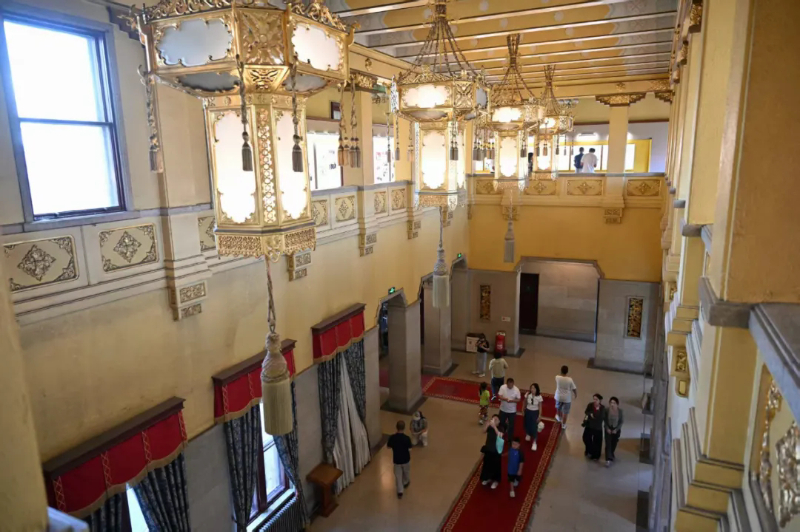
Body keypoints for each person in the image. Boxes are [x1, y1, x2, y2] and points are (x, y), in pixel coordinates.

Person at [387, 420, 413, 498]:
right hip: (406, 459)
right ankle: (406, 482)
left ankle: (400, 491)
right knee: (406, 472)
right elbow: (410, 449)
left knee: (398, 476)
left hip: (397, 460)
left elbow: (388, 447)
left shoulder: (392, 437)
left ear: (396, 427)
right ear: (404, 428)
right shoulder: (407, 438)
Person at [480, 415, 503, 489]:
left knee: (495, 466)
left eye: (496, 419)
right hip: (488, 449)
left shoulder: (500, 428)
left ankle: (495, 481)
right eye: (493, 419)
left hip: (496, 451)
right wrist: (487, 425)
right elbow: (483, 431)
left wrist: (494, 427)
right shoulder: (490, 427)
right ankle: (487, 478)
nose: (494, 421)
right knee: (487, 465)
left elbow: (500, 436)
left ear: (499, 421)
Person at [498, 377, 521, 445]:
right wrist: (505, 399)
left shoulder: (516, 390)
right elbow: (499, 396)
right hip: (503, 409)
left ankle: (510, 439)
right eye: (509, 385)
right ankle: (500, 436)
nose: (510, 386)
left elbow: (519, 399)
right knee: (501, 423)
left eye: (511, 385)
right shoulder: (502, 387)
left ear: (513, 384)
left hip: (512, 411)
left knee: (511, 425)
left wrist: (512, 400)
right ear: (507, 384)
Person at [582, 394, 606, 461]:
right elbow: (586, 412)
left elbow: (600, 417)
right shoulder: (590, 405)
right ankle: (589, 450)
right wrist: (591, 414)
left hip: (597, 427)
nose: (595, 401)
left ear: (600, 400)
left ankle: (596, 455)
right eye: (594, 399)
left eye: (596, 399)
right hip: (589, 425)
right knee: (586, 438)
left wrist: (594, 413)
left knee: (597, 441)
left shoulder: (602, 408)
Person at [604, 397, 624, 467]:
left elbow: (621, 422)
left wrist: (616, 429)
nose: (612, 404)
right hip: (608, 428)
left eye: (614, 403)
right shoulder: (607, 410)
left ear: (617, 404)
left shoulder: (620, 411)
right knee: (608, 443)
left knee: (614, 443)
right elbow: (605, 420)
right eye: (611, 403)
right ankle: (608, 459)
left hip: (616, 429)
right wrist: (607, 428)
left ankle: (611, 453)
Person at [524, 383, 544, 451]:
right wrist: (523, 410)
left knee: (534, 427)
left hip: (535, 412)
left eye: (534, 388)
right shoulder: (528, 395)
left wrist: (540, 415)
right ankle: (528, 434)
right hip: (528, 411)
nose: (532, 389)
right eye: (531, 388)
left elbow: (540, 407)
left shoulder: (539, 397)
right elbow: (525, 402)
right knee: (527, 424)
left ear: (537, 389)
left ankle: (534, 442)